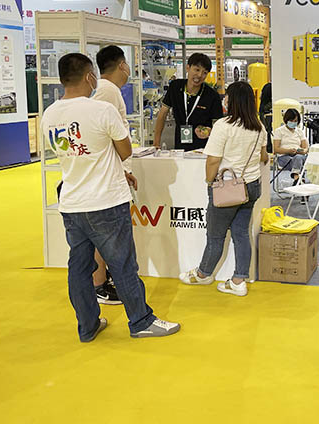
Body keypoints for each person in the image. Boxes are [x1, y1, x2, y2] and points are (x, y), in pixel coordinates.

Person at [41, 53, 180, 341]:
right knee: (123, 264)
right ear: (89, 76)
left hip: (72, 203)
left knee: (80, 269)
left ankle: (87, 326)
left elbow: (75, 154)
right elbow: (125, 151)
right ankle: (141, 321)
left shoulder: (49, 115)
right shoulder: (102, 110)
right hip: (105, 202)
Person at [179, 81, 268, 297]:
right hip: (251, 187)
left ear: (231, 100)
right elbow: (264, 156)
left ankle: (203, 274)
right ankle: (238, 280)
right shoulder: (259, 126)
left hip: (227, 188)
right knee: (241, 234)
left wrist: (210, 182)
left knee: (215, 235)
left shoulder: (223, 125)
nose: (224, 99)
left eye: (227, 96)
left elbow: (213, 161)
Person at [88, 44, 134, 306]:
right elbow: (105, 135)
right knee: (107, 235)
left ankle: (103, 281)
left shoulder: (108, 90)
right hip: (107, 177)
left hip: (112, 172)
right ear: (121, 65)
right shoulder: (107, 91)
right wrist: (120, 168)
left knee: (108, 235)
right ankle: (99, 283)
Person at [153, 53, 223, 150]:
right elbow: (163, 114)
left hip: (203, 149)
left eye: (204, 73)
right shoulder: (175, 87)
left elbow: (218, 125)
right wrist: (156, 143)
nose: (200, 75)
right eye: (197, 70)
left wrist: (209, 131)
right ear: (188, 68)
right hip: (179, 148)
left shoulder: (212, 95)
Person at [272, 108, 308, 185]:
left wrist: (299, 151)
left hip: (298, 155)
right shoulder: (279, 131)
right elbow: (276, 149)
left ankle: (296, 178)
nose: (293, 123)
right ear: (286, 120)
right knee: (298, 161)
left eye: (295, 121)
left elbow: (305, 149)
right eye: (291, 120)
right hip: (284, 157)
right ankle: (300, 179)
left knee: (298, 158)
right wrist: (288, 151)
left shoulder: (299, 132)